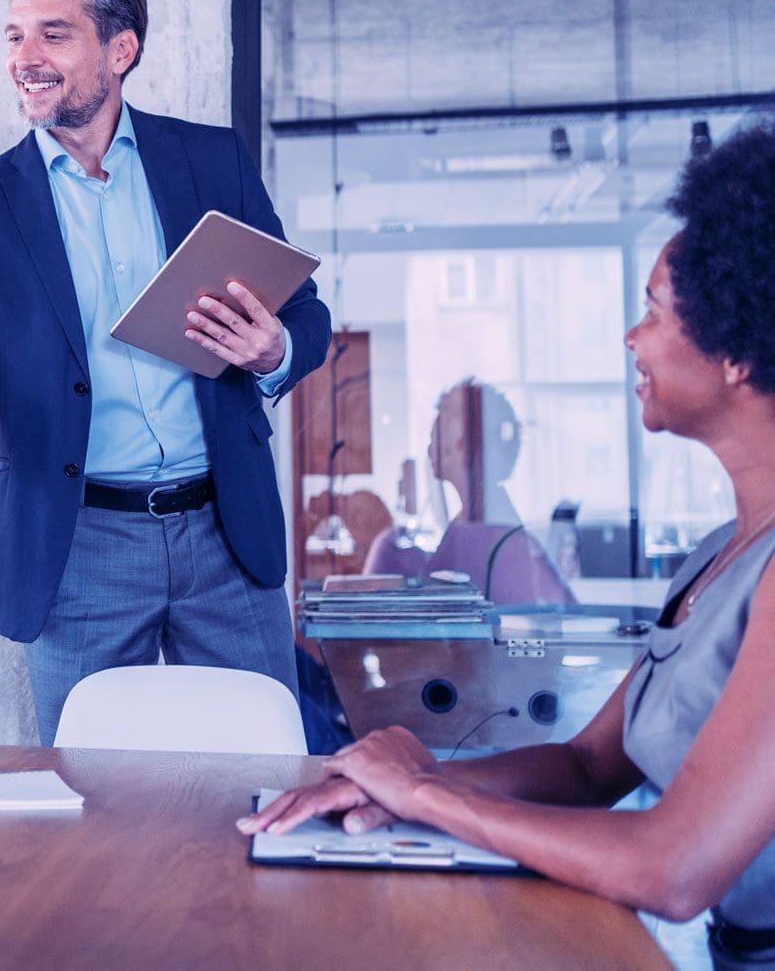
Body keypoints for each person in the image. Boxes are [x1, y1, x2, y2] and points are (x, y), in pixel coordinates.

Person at [243, 122, 775, 970]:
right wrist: (403, 782)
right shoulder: (720, 554)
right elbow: (587, 764)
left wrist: (426, 792)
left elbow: (673, 869)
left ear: (740, 352)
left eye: (653, 311)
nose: (632, 339)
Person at [0, 0, 330, 743]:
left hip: (226, 531)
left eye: (52, 33)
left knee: (268, 770)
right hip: (80, 544)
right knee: (90, 806)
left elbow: (305, 313)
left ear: (120, 47)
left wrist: (273, 349)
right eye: (13, 35)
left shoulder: (212, 161)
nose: (25, 58)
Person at [364, 377, 572, 604]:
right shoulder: (476, 520)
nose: (434, 432)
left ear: (463, 443)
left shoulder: (484, 529)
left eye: (446, 414)